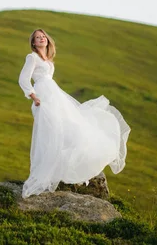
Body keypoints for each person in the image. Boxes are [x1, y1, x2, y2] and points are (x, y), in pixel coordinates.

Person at [18, 28, 131, 198]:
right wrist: (34, 97)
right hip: (43, 97)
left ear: (47, 41)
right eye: (37, 38)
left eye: (43, 37)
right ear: (33, 43)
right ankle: (46, 172)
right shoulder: (32, 57)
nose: (41, 39)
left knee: (68, 126)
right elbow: (23, 78)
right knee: (50, 132)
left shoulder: (49, 61)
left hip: (54, 94)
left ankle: (69, 167)